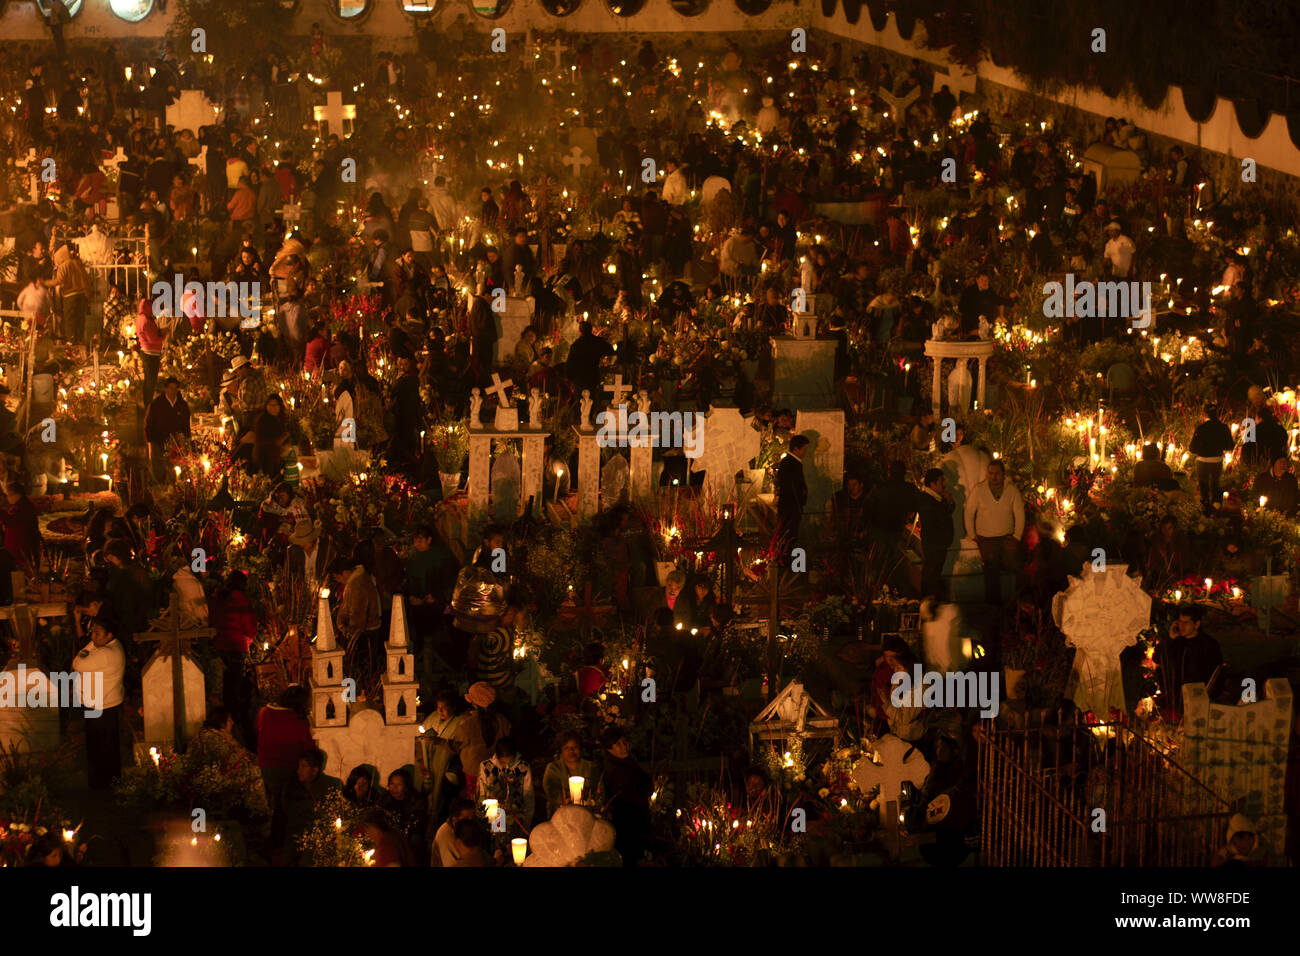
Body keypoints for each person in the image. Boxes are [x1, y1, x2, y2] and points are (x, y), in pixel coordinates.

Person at [256, 685, 315, 851]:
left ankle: (274, 841)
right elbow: (307, 746)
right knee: (286, 807)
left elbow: (259, 731)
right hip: (288, 767)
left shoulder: (264, 712)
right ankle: (281, 843)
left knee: (275, 804)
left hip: (266, 766)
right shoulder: (299, 719)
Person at [71, 615, 125, 790]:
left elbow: (77, 663)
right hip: (104, 703)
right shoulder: (108, 646)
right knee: (106, 747)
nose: (92, 637)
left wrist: (85, 652)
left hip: (101, 706)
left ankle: (103, 785)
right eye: (92, 632)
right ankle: (109, 783)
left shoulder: (106, 653)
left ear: (110, 635)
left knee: (100, 749)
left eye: (97, 633)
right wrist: (92, 646)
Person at [964, 459, 1025, 605]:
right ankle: (993, 605)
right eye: (990, 473)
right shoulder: (979, 490)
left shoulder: (1011, 490)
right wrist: (972, 534)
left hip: (1006, 538)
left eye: (997, 473)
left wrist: (1017, 536)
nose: (993, 476)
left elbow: (1020, 513)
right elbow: (969, 512)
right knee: (991, 573)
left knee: (1014, 568)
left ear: (1003, 474)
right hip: (986, 538)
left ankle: (1016, 602)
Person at [1156, 605, 1224, 718]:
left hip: (1198, 699)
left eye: (1186, 623)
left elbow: (1216, 673)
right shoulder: (1177, 642)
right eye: (1180, 622)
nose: (1181, 626)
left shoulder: (1208, 645)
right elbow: (1158, 659)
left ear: (1196, 624)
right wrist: (1170, 639)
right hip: (1175, 700)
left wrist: (1207, 694)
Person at [599, 725, 651, 866]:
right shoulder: (615, 769)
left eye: (624, 742)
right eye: (618, 744)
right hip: (627, 824)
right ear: (609, 749)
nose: (624, 747)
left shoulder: (626, 762)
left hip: (636, 821)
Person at [281, 748, 340, 865]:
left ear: (315, 770)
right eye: (299, 766)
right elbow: (287, 810)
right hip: (294, 835)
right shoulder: (291, 786)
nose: (299, 770)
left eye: (303, 766)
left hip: (317, 839)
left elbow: (332, 813)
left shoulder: (330, 785)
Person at [477, 736, 535, 828]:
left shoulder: (523, 767)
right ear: (497, 756)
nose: (506, 766)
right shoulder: (486, 766)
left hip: (516, 815)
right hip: (493, 814)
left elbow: (528, 795)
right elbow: (483, 792)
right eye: (503, 763)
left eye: (510, 762)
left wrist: (527, 819)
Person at [144, 377, 191, 484]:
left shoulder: (182, 405)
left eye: (175, 389)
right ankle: (160, 488)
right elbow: (149, 422)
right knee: (159, 469)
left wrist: (187, 439)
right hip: (159, 440)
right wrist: (151, 439)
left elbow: (186, 424)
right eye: (170, 388)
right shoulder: (157, 404)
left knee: (175, 468)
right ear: (165, 389)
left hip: (177, 442)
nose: (172, 391)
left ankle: (174, 488)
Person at [917, 468, 955, 600]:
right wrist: (946, 503)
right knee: (931, 574)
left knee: (934, 572)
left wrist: (948, 503)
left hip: (939, 543)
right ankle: (928, 602)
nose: (944, 484)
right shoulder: (927, 500)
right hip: (934, 544)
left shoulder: (936, 498)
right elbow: (937, 520)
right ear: (932, 484)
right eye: (941, 481)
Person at [1189, 404, 1234, 513]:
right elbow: (1230, 446)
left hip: (1202, 461)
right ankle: (1216, 508)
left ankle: (1204, 507)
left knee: (1203, 485)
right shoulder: (1223, 428)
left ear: (1205, 414)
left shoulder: (1201, 428)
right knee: (1215, 484)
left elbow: (1192, 448)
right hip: (1216, 461)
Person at [542, 731, 599, 814]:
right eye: (566, 748)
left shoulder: (591, 767)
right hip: (561, 813)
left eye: (575, 747)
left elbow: (598, 791)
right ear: (561, 751)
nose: (571, 751)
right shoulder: (553, 768)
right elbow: (551, 791)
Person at [378, 768, 428, 861]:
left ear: (406, 787)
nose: (394, 788)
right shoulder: (384, 800)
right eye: (392, 784)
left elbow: (418, 825)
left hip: (410, 838)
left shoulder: (416, 801)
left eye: (399, 784)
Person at [776, 435, 810, 556]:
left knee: (788, 535)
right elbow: (793, 487)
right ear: (796, 449)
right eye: (804, 449)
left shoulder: (790, 462)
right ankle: (786, 561)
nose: (806, 452)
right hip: (791, 507)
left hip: (789, 506)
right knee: (789, 535)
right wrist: (800, 501)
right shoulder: (792, 464)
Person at [2, 481, 42, 572]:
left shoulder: (24, 506)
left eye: (8, 495)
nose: (7, 498)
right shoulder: (19, 504)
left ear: (16, 494)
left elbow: (11, 522)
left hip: (22, 548)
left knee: (23, 573)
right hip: (18, 547)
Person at [430, 796, 477, 866]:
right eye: (466, 819)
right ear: (455, 820)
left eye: (472, 818)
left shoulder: (462, 832)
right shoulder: (445, 835)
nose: (470, 823)